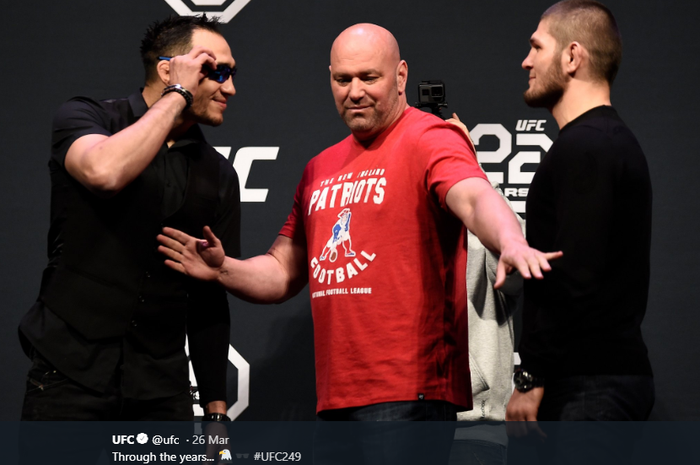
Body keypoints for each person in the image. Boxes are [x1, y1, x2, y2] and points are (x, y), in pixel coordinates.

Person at [158, 22, 559, 463]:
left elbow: (474, 195)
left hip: (412, 393)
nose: (354, 92)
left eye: (369, 78)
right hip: (336, 400)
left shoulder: (428, 137)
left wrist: (509, 240)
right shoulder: (319, 168)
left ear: (400, 76)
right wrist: (222, 269)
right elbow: (281, 270)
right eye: (342, 79)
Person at [18, 15, 240, 422]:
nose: (230, 88)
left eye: (231, 73)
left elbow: (209, 296)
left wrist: (215, 411)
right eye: (215, 72)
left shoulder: (220, 174)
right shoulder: (86, 118)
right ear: (168, 69)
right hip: (68, 373)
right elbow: (105, 173)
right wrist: (178, 95)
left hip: (160, 390)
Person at [506, 0, 654, 462]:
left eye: (536, 47)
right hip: (595, 384)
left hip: (588, 389)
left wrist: (531, 377)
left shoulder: (587, 147)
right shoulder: (602, 142)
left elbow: (575, 275)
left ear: (572, 57)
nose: (525, 61)